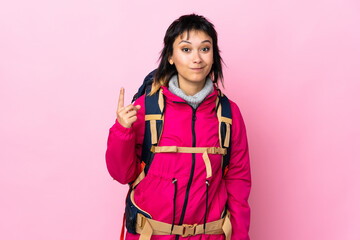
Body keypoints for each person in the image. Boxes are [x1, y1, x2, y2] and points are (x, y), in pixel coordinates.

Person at [106, 14, 251, 240]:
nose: (197, 58)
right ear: (170, 57)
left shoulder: (228, 114)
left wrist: (240, 236)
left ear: (214, 56)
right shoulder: (146, 107)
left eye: (205, 49)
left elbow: (239, 182)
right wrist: (121, 131)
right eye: (186, 49)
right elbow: (122, 174)